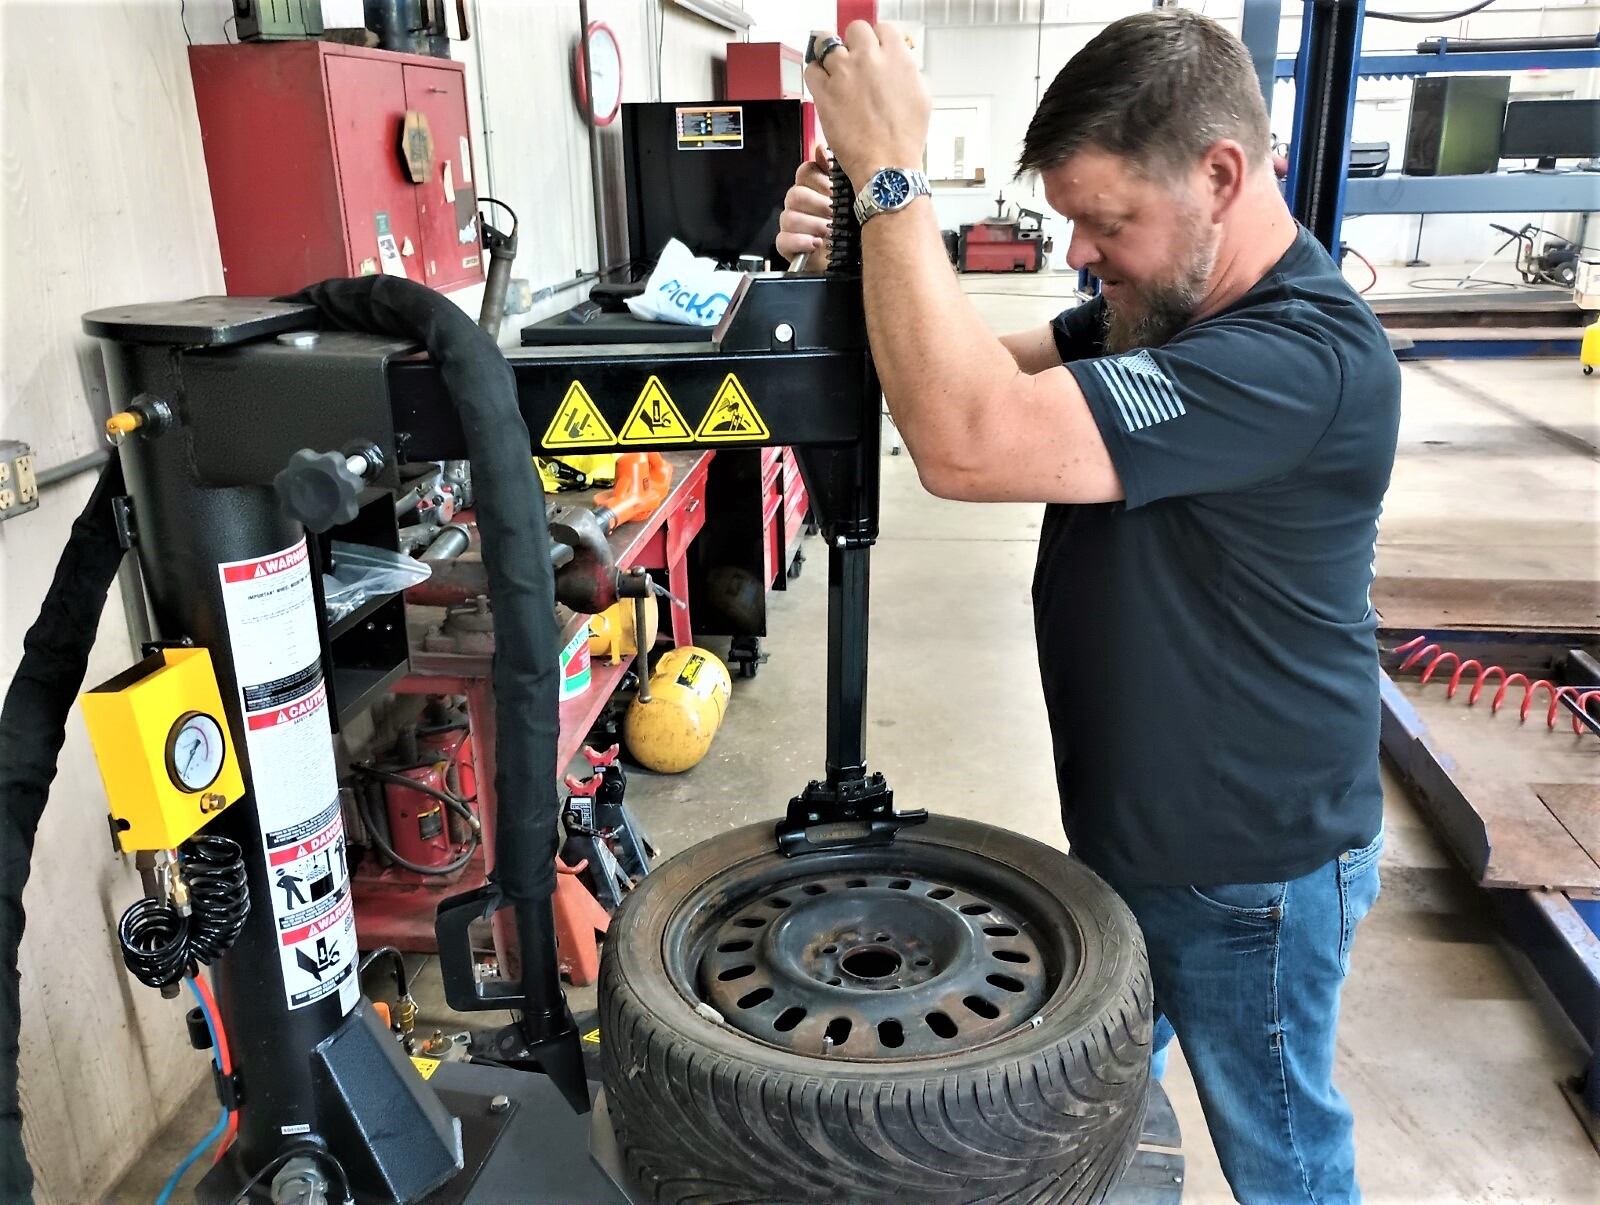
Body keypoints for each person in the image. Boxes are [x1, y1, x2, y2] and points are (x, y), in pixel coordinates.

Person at [778, 10, 1399, 1204]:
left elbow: (966, 442)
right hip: (1144, 833)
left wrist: (893, 180)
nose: (1081, 253)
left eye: (1106, 222)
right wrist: (853, 250)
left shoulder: (1299, 360)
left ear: (1221, 175)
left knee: (1281, 1151)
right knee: (1094, 1099)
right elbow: (947, 371)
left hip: (1248, 865)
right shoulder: (1156, 311)